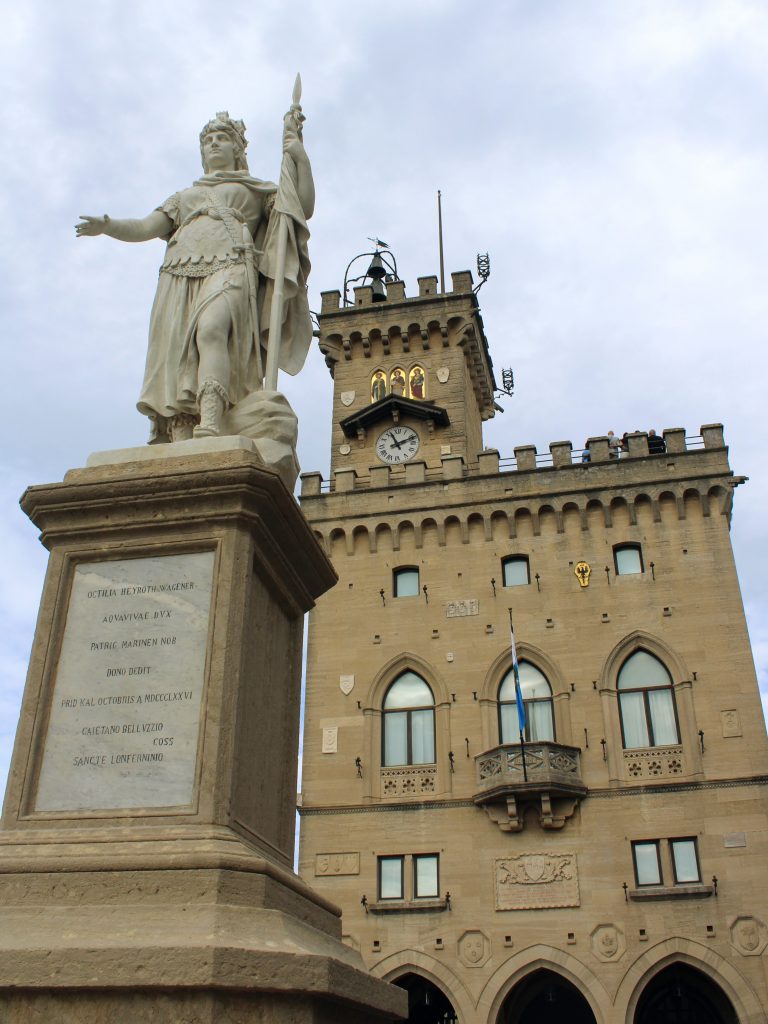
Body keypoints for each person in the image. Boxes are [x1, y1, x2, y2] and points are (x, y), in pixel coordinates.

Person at [76, 110, 314, 443]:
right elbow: (146, 227)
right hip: (179, 272)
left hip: (230, 265)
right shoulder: (185, 197)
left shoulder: (256, 190)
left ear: (237, 149)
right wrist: (108, 226)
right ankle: (184, 423)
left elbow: (299, 208)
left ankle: (213, 419)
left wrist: (299, 157)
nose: (213, 145)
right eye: (208, 141)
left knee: (213, 328)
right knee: (179, 354)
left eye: (222, 139)